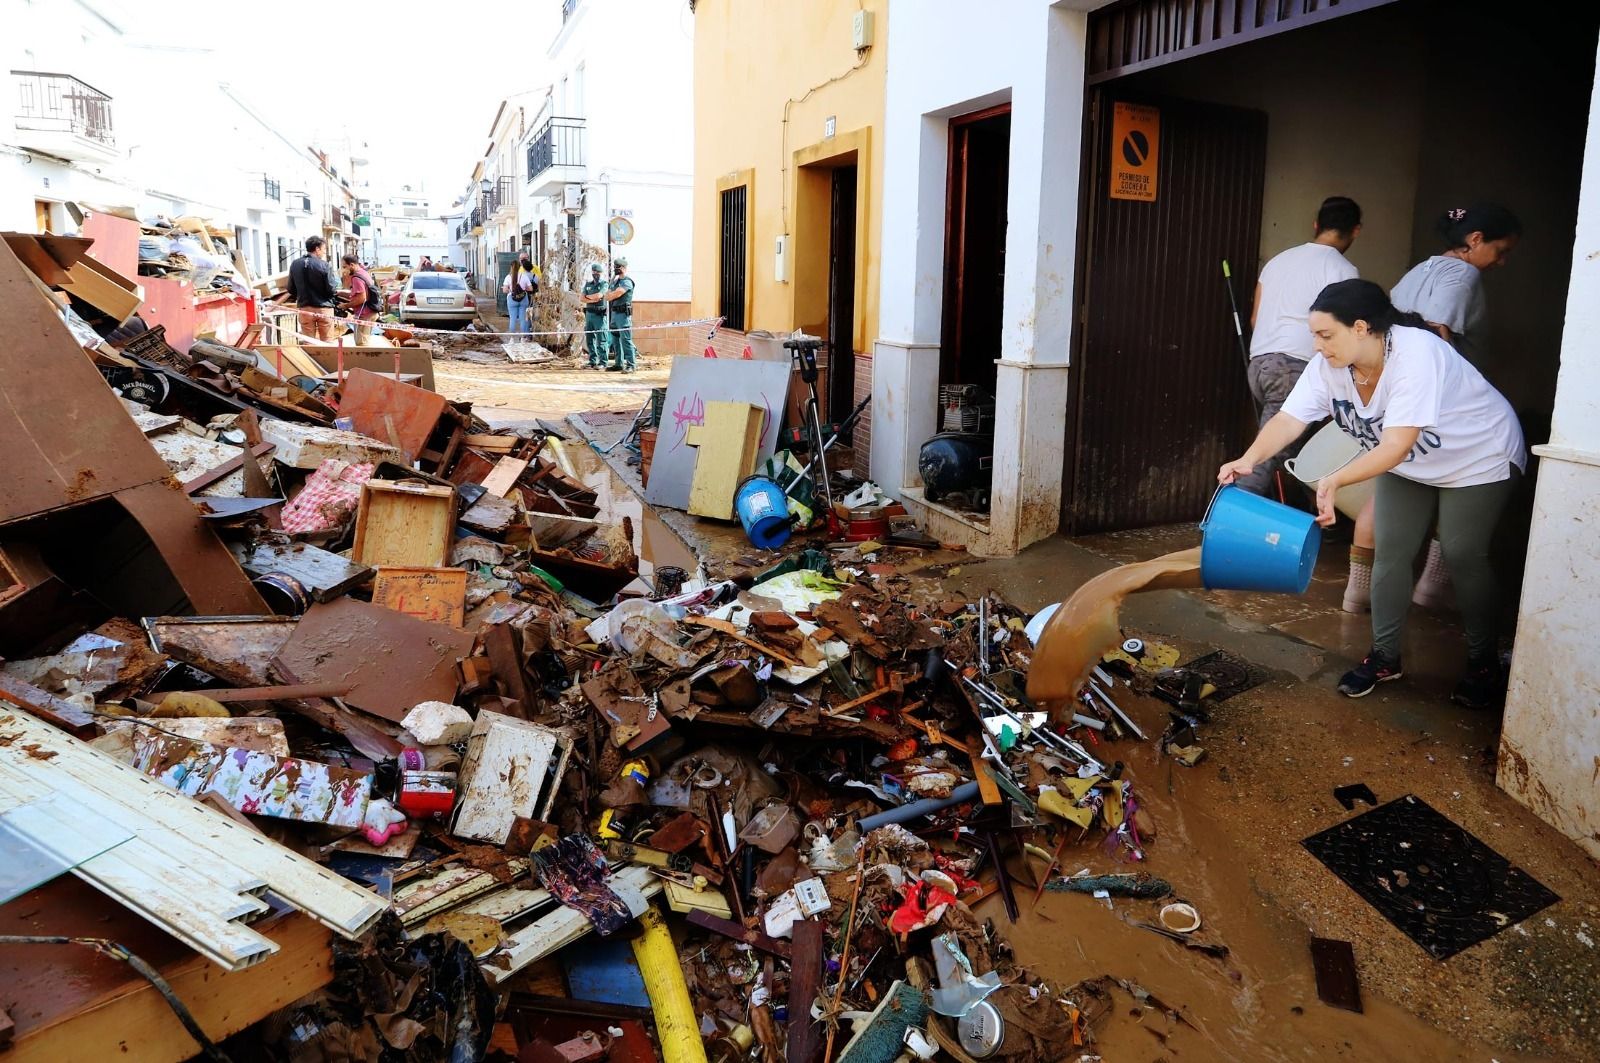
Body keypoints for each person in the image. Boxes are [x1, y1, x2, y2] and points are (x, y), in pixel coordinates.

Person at [1218, 279, 1526, 709]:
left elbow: (1396, 443)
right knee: (1390, 549)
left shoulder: (1415, 353)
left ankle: (1483, 665)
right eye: (1315, 336)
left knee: (1462, 551)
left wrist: (1336, 479)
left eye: (1326, 335)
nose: (1318, 345)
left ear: (1361, 327)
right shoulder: (1328, 366)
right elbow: (1289, 420)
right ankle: (1385, 656)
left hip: (1477, 455)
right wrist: (1248, 459)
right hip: (1412, 461)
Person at [1374, 204, 1523, 611]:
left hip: (1404, 404)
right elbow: (1436, 332)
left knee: (1396, 523)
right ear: (1475, 240)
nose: (1502, 261)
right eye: (1500, 250)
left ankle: (1379, 595)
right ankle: (1435, 589)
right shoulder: (1465, 274)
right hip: (1450, 413)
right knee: (1458, 506)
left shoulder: (1418, 270)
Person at [1239, 195, 1363, 498]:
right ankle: (1230, 516)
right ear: (1356, 231)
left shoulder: (1278, 261)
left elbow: (1255, 317)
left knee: (1287, 450)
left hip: (1260, 364)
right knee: (1268, 453)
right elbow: (1345, 333)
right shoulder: (1343, 270)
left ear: (1316, 224)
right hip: (1296, 368)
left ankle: (1298, 519)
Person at [285, 236, 338, 342]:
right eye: (323, 249)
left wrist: (301, 295)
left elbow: (290, 288)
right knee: (327, 341)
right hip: (324, 308)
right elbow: (331, 289)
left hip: (305, 308)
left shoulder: (295, 264)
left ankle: (310, 358)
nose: (324, 252)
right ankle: (328, 358)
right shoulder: (325, 265)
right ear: (317, 249)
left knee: (309, 342)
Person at [604, 257, 637, 373]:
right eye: (615, 267)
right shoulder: (615, 282)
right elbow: (607, 295)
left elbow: (616, 294)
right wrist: (610, 294)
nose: (617, 269)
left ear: (624, 268)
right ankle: (618, 363)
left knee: (626, 340)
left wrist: (610, 294)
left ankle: (631, 365)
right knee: (615, 340)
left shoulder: (627, 281)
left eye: (619, 267)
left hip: (623, 315)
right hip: (614, 313)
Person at [340, 253, 379, 345]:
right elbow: (358, 294)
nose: (344, 270)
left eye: (345, 267)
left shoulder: (356, 278)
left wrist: (346, 305)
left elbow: (361, 298)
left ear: (352, 265)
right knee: (364, 341)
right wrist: (340, 293)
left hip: (364, 314)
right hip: (370, 312)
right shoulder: (364, 273)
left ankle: (362, 359)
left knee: (361, 344)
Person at [581, 262, 611, 369]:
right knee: (590, 338)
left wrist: (588, 297)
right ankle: (592, 360)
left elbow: (600, 295)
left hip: (600, 315)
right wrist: (593, 298)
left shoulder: (604, 284)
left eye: (598, 272)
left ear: (601, 273)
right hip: (589, 314)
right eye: (594, 272)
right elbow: (581, 298)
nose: (596, 274)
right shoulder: (588, 284)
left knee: (601, 339)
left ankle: (603, 362)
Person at [502, 255, 535, 336]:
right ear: (520, 267)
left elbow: (504, 290)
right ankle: (523, 338)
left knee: (512, 319)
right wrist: (523, 289)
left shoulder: (508, 277)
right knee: (523, 319)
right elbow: (531, 289)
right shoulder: (524, 276)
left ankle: (512, 338)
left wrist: (510, 290)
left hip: (512, 299)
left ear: (511, 267)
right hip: (523, 299)